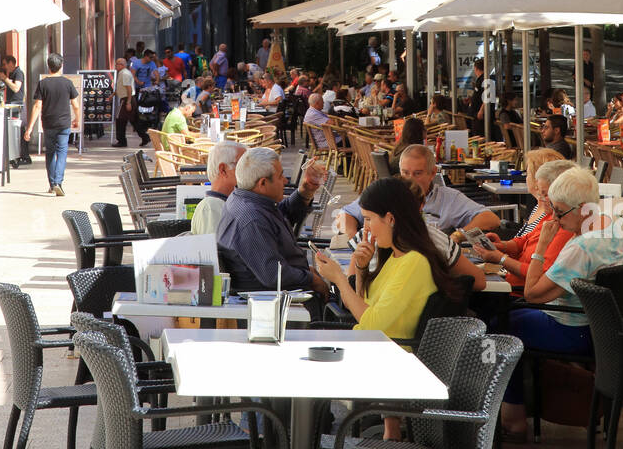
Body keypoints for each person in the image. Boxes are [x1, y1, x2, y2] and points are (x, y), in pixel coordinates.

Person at [500, 166, 623, 437]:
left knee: (498, 330)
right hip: (599, 329)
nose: (554, 219)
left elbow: (532, 293)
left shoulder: (580, 247)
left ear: (582, 208)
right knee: (506, 318)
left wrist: (542, 247)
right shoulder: (611, 228)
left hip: (574, 330)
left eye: (559, 211)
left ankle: (513, 416)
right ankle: (516, 408)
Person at [314, 177, 460, 349]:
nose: (366, 228)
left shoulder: (413, 262)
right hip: (370, 347)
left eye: (368, 219)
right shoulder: (395, 256)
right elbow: (363, 309)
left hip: (385, 356)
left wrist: (339, 279)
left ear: (390, 219)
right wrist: (361, 267)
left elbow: (372, 324)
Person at [216, 147, 330, 294]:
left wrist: (305, 191)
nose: (285, 180)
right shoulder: (252, 219)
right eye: (280, 176)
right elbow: (275, 275)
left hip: (281, 291)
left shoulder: (244, 198)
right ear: (262, 183)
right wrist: (312, 279)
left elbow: (279, 216)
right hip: (277, 303)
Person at [342, 143, 500, 239]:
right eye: (405, 173)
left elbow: (491, 219)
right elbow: (347, 213)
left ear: (432, 173)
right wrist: (352, 238)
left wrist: (459, 235)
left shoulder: (447, 198)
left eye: (417, 173)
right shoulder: (386, 192)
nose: (410, 179)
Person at [471, 157, 574, 293]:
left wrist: (500, 258)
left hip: (518, 295)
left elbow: (538, 278)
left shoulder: (565, 227)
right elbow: (524, 241)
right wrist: (502, 246)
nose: (540, 197)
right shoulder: (551, 217)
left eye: (544, 193)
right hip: (511, 284)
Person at [25, 53, 79, 197]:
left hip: (48, 123)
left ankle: (52, 184)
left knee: (50, 153)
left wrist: (29, 128)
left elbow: (37, 106)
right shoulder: (68, 83)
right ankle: (58, 183)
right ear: (61, 66)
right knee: (62, 153)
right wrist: (77, 120)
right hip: (64, 123)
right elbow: (76, 105)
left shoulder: (43, 83)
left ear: (48, 66)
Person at [190, 141, 245, 234]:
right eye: (243, 165)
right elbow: (214, 247)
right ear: (223, 170)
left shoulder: (230, 202)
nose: (248, 170)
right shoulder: (211, 207)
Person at [113, 55, 148, 147]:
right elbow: (122, 87)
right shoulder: (122, 73)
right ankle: (145, 137)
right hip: (127, 98)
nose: (115, 66)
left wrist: (128, 102)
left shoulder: (125, 74)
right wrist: (113, 94)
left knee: (120, 119)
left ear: (122, 65)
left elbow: (128, 88)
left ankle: (121, 141)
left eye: (117, 64)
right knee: (133, 120)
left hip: (127, 99)